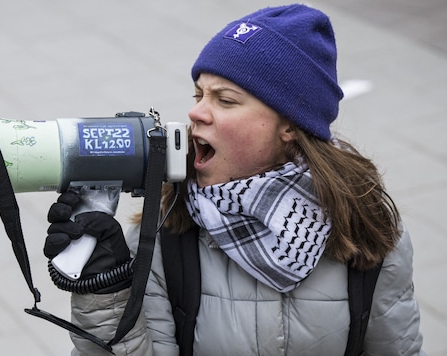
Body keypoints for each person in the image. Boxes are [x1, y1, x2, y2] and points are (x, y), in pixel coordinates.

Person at [44, 4, 425, 355]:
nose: (196, 113)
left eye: (224, 100)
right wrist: (106, 291)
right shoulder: (166, 232)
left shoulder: (367, 225)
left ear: (290, 125)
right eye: (199, 95)